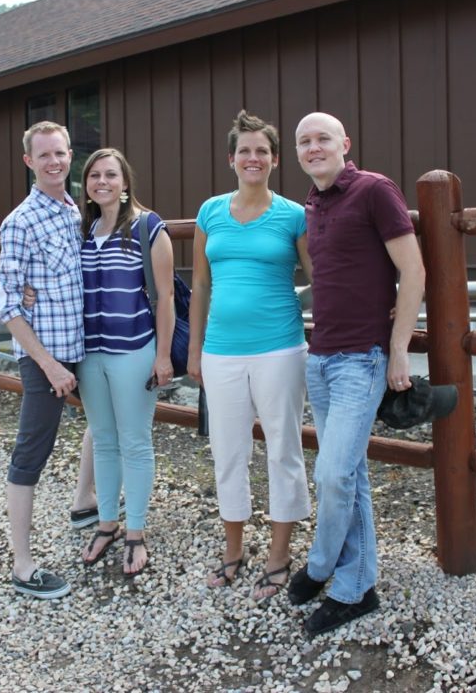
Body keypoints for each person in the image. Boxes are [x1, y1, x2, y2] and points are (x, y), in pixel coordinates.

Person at [287, 112, 425, 636]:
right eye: (305, 141)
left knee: (333, 474)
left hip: (360, 360)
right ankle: (357, 580)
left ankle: (329, 572)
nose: (314, 147)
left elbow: (413, 271)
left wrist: (398, 349)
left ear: (345, 143)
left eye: (323, 138)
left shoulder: (374, 190)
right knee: (350, 473)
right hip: (319, 358)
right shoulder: (314, 205)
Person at [188, 110, 314, 602]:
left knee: (283, 449)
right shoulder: (210, 212)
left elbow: (319, 277)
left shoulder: (293, 216)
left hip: (280, 348)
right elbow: (199, 283)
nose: (253, 157)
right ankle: (233, 552)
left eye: (262, 150)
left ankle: (279, 555)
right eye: (245, 150)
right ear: (232, 159)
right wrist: (195, 348)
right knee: (228, 451)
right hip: (220, 353)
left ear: (275, 160)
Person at [0, 120, 84, 600]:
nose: (54, 162)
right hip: (46, 356)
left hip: (85, 348)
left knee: (109, 421)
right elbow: (7, 303)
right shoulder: (21, 222)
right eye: (44, 155)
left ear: (71, 155)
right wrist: (48, 365)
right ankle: (23, 565)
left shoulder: (76, 211)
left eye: (60, 153)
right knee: (33, 451)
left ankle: (86, 503)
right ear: (29, 162)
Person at [75, 147, 174, 577]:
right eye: (94, 175)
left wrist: (165, 355)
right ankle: (107, 523)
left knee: (134, 441)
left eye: (110, 174)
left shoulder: (148, 227)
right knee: (103, 437)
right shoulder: (82, 229)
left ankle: (136, 531)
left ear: (125, 181)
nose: (102, 182)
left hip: (134, 349)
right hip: (90, 353)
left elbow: (166, 297)